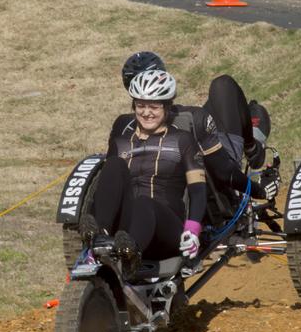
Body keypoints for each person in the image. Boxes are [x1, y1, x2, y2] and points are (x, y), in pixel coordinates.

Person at [80, 69, 207, 276]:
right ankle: (100, 239)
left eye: (154, 106)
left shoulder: (183, 140)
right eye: (141, 106)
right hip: (125, 230)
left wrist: (193, 230)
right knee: (113, 165)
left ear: (167, 107)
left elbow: (198, 190)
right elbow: (106, 189)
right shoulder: (120, 142)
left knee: (144, 202)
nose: (147, 112)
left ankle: (131, 254)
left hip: (165, 228)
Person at [118, 52, 278, 207]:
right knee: (223, 85)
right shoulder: (193, 117)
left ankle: (252, 147)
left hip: (194, 158)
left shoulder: (125, 126)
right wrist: (259, 191)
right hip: (217, 164)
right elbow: (224, 172)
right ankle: (253, 149)